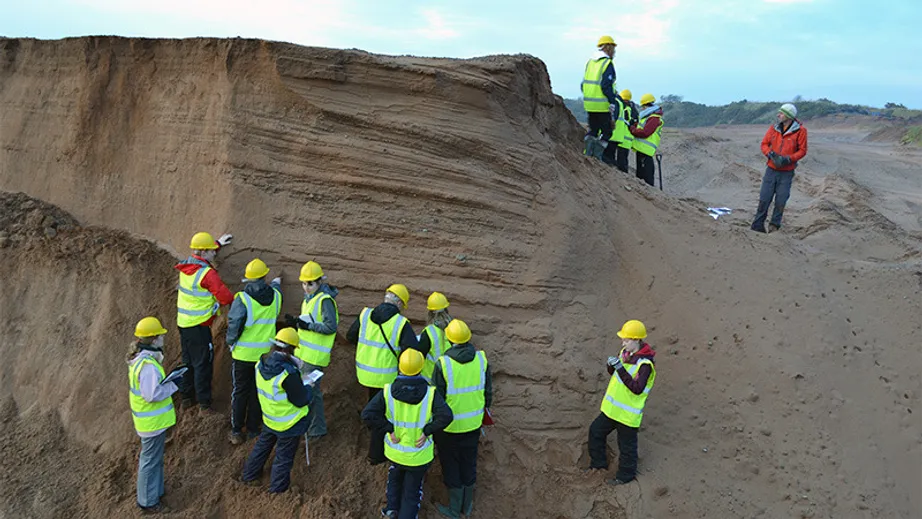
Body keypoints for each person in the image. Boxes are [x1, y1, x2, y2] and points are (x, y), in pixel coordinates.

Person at [362, 349, 453, 519]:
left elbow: (368, 414)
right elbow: (446, 416)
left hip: (395, 452)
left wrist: (389, 429)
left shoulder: (388, 391)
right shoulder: (431, 394)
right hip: (418, 456)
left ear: (400, 367)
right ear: (421, 367)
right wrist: (427, 431)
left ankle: (391, 511)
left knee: (394, 479)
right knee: (412, 492)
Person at [346, 283, 419, 465]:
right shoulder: (401, 323)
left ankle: (369, 423)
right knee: (383, 413)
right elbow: (412, 352)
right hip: (386, 377)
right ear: (400, 303)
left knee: (373, 401)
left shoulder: (365, 315)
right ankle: (376, 455)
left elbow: (350, 336)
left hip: (364, 372)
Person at [240, 328, 314, 493]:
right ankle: (277, 491)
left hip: (270, 418)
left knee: (262, 447)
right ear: (291, 349)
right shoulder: (287, 373)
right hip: (289, 423)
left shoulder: (260, 364)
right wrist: (308, 386)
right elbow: (301, 400)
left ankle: (249, 476)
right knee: (283, 458)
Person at [432, 320, 493, 519]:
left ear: (449, 339)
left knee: (451, 466)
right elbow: (488, 394)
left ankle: (454, 509)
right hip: (473, 425)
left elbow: (437, 400)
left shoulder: (443, 364)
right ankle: (467, 507)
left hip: (448, 428)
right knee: (469, 463)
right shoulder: (481, 359)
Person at [586, 320, 656, 486]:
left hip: (627, 415)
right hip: (612, 410)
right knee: (595, 431)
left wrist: (620, 368)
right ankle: (598, 465)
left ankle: (625, 477)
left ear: (636, 340)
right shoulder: (625, 353)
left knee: (627, 448)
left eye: (626, 340)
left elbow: (637, 388)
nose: (623, 343)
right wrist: (611, 366)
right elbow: (615, 374)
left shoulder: (645, 365)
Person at [174, 231, 234, 413]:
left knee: (188, 361)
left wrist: (218, 243)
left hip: (184, 323)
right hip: (199, 326)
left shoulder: (187, 265)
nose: (214, 253)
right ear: (204, 251)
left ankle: (186, 398)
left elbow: (202, 254)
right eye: (212, 250)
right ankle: (204, 404)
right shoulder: (207, 274)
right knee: (203, 364)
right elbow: (225, 297)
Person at [127, 317, 181, 515]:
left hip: (149, 422)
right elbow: (152, 395)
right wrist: (174, 385)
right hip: (151, 423)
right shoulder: (148, 366)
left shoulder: (141, 359)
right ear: (153, 338)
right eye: (160, 336)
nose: (162, 339)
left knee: (153, 459)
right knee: (150, 461)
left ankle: (154, 494)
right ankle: (148, 502)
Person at [225, 258, 282, 445]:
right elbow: (276, 290)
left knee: (240, 391)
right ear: (265, 276)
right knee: (258, 391)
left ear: (248, 279)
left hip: (243, 355)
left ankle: (236, 431)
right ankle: (253, 430)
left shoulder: (242, 299)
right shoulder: (276, 297)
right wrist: (276, 282)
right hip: (264, 355)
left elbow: (234, 323)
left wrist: (230, 342)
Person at [285, 260, 340, 440]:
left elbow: (330, 327)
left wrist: (307, 326)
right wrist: (297, 323)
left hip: (315, 357)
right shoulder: (309, 299)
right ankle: (310, 428)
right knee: (307, 391)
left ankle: (316, 431)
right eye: (303, 283)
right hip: (304, 354)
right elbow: (310, 321)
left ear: (319, 282)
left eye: (310, 284)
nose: (306, 287)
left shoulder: (325, 301)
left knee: (312, 394)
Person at [751, 103, 808, 233]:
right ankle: (757, 225)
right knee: (764, 198)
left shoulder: (801, 131)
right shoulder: (774, 128)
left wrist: (789, 159)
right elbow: (764, 144)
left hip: (787, 172)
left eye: (781, 113)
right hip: (771, 169)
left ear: (789, 116)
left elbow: (802, 150)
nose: (778, 115)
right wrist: (770, 154)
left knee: (781, 200)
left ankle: (774, 226)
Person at [581, 35, 621, 160]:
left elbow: (583, 84)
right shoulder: (607, 63)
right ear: (609, 47)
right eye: (613, 48)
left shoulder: (590, 62)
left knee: (593, 130)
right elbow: (606, 85)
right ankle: (596, 157)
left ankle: (587, 154)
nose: (614, 51)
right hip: (602, 104)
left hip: (589, 104)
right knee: (607, 132)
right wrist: (612, 100)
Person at [629, 94, 664, 187]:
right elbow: (642, 127)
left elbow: (645, 132)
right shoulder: (648, 116)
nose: (642, 108)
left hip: (646, 150)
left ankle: (650, 191)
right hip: (641, 149)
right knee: (640, 175)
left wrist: (633, 130)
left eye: (643, 106)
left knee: (647, 177)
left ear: (646, 105)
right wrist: (635, 125)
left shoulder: (654, 118)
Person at [418, 292, 452, 384]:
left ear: (430, 313)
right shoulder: (455, 329)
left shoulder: (428, 332)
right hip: (450, 378)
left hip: (431, 380)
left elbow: (419, 357)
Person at [615, 89, 639, 173]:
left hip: (623, 138)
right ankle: (624, 174)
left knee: (621, 161)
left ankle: (622, 175)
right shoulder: (633, 109)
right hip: (627, 139)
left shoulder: (625, 109)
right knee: (624, 159)